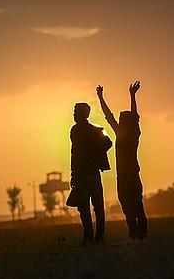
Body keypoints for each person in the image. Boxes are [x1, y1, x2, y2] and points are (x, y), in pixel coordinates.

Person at [96, 81, 148, 239]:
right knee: (137, 205)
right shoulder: (134, 133)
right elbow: (133, 116)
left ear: (124, 122)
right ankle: (140, 232)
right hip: (133, 174)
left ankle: (135, 232)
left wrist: (100, 98)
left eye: (120, 119)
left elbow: (108, 116)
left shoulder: (122, 133)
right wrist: (132, 96)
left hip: (125, 177)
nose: (117, 120)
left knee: (127, 206)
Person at [68, 102, 112, 245]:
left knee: (84, 209)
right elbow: (108, 143)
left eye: (76, 112)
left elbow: (75, 155)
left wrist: (73, 175)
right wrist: (97, 153)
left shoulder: (75, 131)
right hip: (93, 174)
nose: (73, 114)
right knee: (98, 208)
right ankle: (99, 237)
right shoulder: (95, 130)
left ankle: (89, 238)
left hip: (81, 175)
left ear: (82, 114)